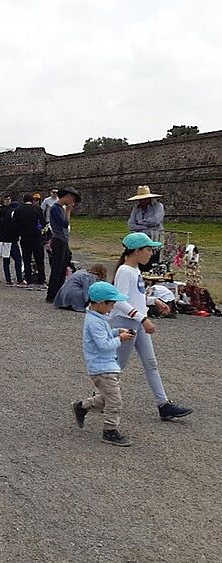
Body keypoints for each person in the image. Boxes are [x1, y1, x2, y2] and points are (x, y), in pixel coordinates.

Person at [111, 233, 193, 421]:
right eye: (148, 250)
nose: (151, 253)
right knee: (118, 365)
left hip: (136, 322)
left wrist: (152, 300)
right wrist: (142, 319)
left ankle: (163, 405)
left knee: (151, 363)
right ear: (136, 251)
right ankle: (98, 398)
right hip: (127, 323)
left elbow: (134, 297)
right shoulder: (125, 271)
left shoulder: (135, 270)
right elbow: (118, 301)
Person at [70, 281, 137, 447]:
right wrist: (120, 339)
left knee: (108, 397)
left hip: (107, 366)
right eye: (111, 304)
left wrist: (117, 331)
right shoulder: (95, 322)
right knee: (115, 401)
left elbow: (105, 336)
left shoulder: (99, 317)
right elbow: (104, 345)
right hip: (101, 368)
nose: (113, 307)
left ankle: (82, 406)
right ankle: (110, 431)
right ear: (100, 303)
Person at [45, 187, 81, 303]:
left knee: (62, 268)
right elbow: (64, 223)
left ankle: (58, 292)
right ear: (68, 196)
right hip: (59, 240)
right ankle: (52, 294)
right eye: (73, 199)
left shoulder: (59, 208)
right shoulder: (56, 208)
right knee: (57, 268)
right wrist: (68, 211)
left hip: (63, 240)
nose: (73, 203)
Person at [12, 193, 47, 289]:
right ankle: (41, 281)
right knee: (39, 259)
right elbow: (43, 222)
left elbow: (14, 223)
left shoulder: (18, 209)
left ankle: (29, 281)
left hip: (24, 237)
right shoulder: (37, 208)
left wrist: (20, 231)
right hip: (36, 236)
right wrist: (38, 228)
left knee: (26, 259)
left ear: (23, 200)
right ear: (32, 200)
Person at [127, 185, 165, 272]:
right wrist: (146, 226)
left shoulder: (158, 206)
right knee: (139, 264)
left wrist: (140, 222)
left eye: (144, 198)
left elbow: (156, 220)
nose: (142, 201)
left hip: (154, 239)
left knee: (152, 264)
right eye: (140, 199)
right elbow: (131, 225)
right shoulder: (136, 209)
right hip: (140, 241)